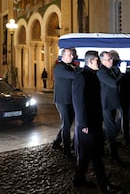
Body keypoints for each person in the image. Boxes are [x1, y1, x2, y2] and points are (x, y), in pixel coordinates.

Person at [72, 50, 118, 193]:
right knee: (96, 153)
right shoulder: (81, 77)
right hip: (87, 124)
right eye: (97, 61)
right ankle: (104, 184)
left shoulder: (92, 75)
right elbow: (79, 102)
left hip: (95, 120)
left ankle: (78, 179)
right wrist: (83, 123)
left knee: (87, 154)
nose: (99, 63)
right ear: (90, 61)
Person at [97, 51, 125, 164]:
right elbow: (113, 83)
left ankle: (102, 142)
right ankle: (114, 156)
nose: (111, 61)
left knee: (115, 125)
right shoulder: (101, 72)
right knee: (111, 128)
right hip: (106, 104)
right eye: (108, 59)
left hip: (114, 102)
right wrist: (122, 74)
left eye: (111, 59)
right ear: (102, 61)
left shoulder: (112, 69)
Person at [52, 48, 78, 159]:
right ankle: (67, 150)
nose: (72, 56)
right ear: (63, 56)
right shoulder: (59, 67)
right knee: (66, 124)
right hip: (62, 100)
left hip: (70, 100)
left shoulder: (69, 67)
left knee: (67, 122)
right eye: (70, 55)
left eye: (72, 55)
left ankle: (57, 143)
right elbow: (74, 76)